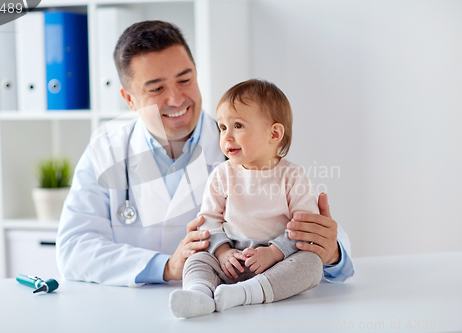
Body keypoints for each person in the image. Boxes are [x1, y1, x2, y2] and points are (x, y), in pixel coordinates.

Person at [56, 20, 354, 287]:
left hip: (239, 306)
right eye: (157, 88)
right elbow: (74, 248)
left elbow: (315, 236)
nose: (176, 99)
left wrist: (333, 252)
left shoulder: (247, 144)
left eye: (185, 80)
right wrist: (167, 267)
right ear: (129, 99)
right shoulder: (107, 147)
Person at [169, 79, 323, 318]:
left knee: (311, 264)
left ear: (274, 133)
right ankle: (199, 295)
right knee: (197, 258)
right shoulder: (222, 174)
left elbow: (304, 227)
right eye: (222, 128)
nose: (227, 137)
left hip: (274, 263)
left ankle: (245, 293)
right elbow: (208, 220)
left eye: (238, 125)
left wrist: (273, 253)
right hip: (230, 257)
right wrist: (221, 253)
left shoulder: (293, 176)